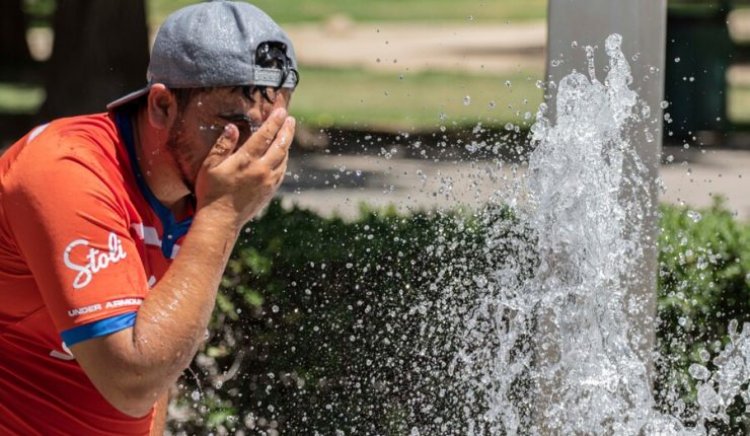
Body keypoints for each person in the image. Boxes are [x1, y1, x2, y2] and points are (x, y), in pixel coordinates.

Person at [0, 1, 298, 434]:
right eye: (234, 125)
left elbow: (162, 363)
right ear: (161, 105)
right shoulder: (67, 171)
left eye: (271, 131)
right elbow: (133, 382)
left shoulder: (201, 185)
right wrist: (222, 216)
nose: (254, 155)